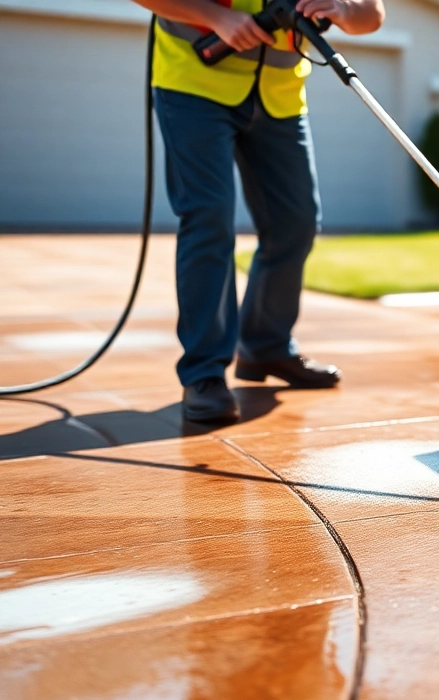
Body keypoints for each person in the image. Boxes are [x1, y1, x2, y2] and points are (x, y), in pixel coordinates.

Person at [131, 0, 385, 423]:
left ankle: (266, 348)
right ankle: (204, 372)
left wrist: (342, 8)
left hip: (280, 98)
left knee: (296, 224)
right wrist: (217, 18)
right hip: (194, 84)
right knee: (208, 219)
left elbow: (372, 15)